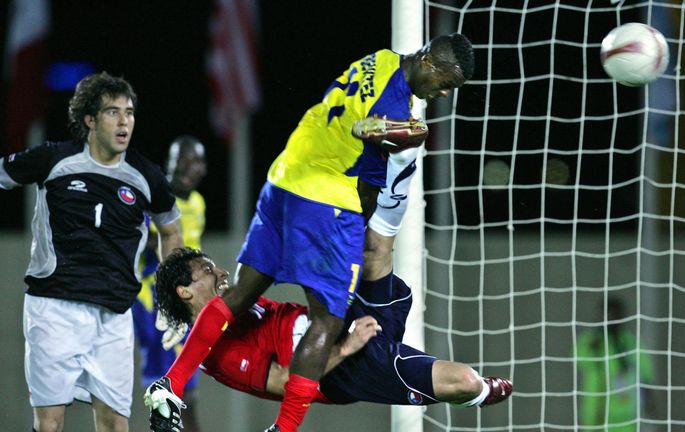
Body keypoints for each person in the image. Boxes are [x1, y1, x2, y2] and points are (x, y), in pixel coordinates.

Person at [145, 33, 475, 432]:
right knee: (328, 321)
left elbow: (367, 121)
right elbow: (367, 190)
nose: (442, 93)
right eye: (445, 83)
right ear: (428, 62)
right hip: (326, 198)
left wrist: (402, 130)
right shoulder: (391, 109)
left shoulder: (381, 60)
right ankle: (284, 429)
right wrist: (357, 227)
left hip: (284, 175)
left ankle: (171, 383)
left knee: (238, 293)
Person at [0, 72, 184, 432]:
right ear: (89, 119)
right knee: (50, 424)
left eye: (129, 113)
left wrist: (170, 293)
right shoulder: (54, 160)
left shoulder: (147, 176)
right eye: (113, 112)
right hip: (53, 310)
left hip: (114, 316)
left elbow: (171, 230)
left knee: (116, 423)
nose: (124, 122)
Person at [149, 247, 513, 411]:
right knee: (464, 380)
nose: (221, 273)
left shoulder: (235, 307)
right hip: (343, 368)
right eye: (208, 270)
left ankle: (395, 158)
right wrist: (346, 347)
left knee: (374, 248)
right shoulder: (215, 356)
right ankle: (478, 395)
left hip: (341, 318)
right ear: (185, 291)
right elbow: (286, 382)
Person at [133, 135, 208, 432]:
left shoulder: (198, 203)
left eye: (197, 160)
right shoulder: (155, 196)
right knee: (165, 390)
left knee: (187, 390)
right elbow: (141, 238)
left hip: (183, 305)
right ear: (170, 164)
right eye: (183, 160)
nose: (191, 167)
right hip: (153, 302)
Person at [575, 297, 655, 432]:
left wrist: (649, 399)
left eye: (614, 314)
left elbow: (644, 373)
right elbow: (579, 359)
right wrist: (594, 345)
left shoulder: (630, 342)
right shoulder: (591, 340)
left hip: (624, 411)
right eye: (607, 313)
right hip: (596, 411)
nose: (610, 318)